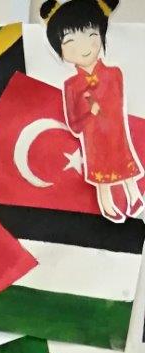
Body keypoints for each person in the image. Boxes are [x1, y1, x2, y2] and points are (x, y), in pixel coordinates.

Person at [42, 0, 144, 222]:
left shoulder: (114, 73)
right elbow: (74, 123)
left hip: (116, 133)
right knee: (102, 177)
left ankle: (134, 197)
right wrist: (89, 110)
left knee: (125, 167)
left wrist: (99, 103)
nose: (84, 47)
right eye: (70, 42)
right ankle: (107, 206)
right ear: (60, 49)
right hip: (94, 140)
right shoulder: (70, 86)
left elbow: (117, 105)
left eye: (91, 35)